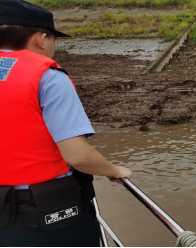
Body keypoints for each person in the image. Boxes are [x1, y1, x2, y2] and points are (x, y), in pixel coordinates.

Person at [0, 1, 132, 246]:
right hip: (46, 212)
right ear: (41, 39)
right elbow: (78, 156)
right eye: (53, 39)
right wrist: (114, 170)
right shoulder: (47, 78)